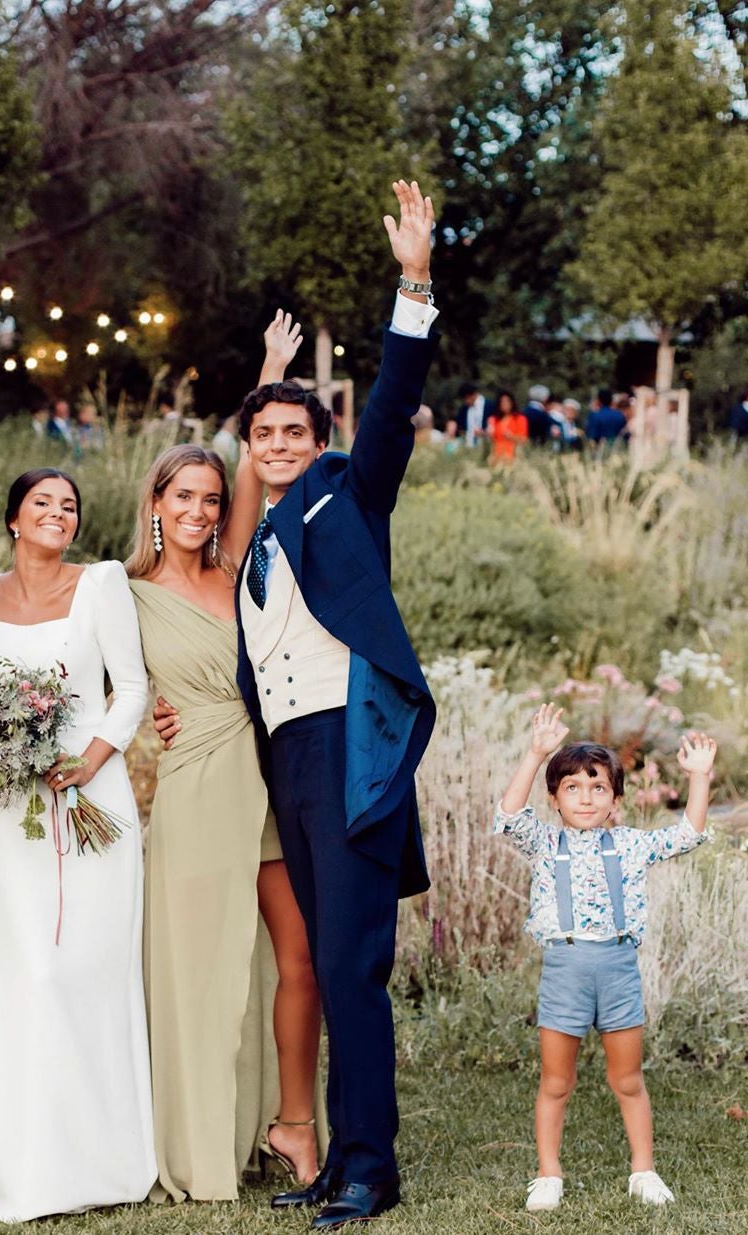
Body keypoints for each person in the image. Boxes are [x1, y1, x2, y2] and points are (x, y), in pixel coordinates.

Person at [230, 179, 439, 1230]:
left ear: (318, 439)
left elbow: (395, 401)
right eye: (262, 431)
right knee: (323, 957)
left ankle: (370, 1169)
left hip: (351, 754)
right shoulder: (254, 540)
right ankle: (340, 1157)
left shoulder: (349, 493)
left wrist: (412, 283)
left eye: (291, 429)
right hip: (289, 766)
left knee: (352, 968)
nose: (275, 441)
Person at [128, 312, 324, 1203]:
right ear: (157, 507)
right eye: (184, 498)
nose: (203, 510)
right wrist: (141, 734)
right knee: (201, 968)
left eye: (210, 498)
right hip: (195, 786)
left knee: (295, 957)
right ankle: (198, 1141)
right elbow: (102, 693)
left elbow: (253, 464)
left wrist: (271, 372)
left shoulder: (239, 562)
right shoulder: (123, 593)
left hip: (268, 777)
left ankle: (289, 1123)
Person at [0, 469, 155, 1221]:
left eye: (69, 506)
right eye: (42, 504)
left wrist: (89, 760)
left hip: (90, 800)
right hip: (5, 810)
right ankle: (21, 1161)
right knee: (21, 972)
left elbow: (132, 688)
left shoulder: (102, 583)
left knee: (81, 970)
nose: (58, 514)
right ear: (12, 521)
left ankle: (104, 1157)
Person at [495, 704, 716, 1213]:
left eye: (598, 788)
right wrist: (535, 753)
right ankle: (549, 1173)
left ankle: (643, 1170)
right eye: (572, 787)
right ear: (554, 800)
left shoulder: (632, 845)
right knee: (555, 1081)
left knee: (628, 1079)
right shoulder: (545, 843)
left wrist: (700, 779)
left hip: (618, 971)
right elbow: (507, 817)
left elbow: (688, 835)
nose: (586, 797)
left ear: (616, 800)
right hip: (565, 972)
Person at [488, 390, 528, 464]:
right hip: (496, 456)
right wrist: (488, 433)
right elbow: (492, 439)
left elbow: (523, 439)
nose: (504, 404)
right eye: (502, 402)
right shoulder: (494, 419)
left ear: (512, 403)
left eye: (507, 401)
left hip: (513, 456)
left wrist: (511, 436)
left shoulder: (520, 418)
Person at [456, 382, 488, 446]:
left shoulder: (490, 406)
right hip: (468, 446)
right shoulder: (463, 410)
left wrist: (484, 433)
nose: (466, 401)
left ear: (474, 395)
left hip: (484, 444)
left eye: (467, 398)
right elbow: (460, 428)